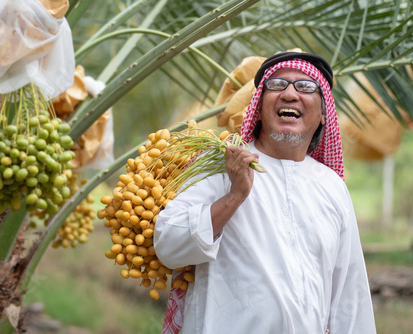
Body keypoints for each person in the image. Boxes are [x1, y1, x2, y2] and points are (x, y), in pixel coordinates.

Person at [153, 52, 376, 334]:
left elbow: (349, 297)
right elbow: (168, 245)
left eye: (306, 87)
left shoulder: (332, 187)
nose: (290, 94)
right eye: (278, 85)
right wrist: (234, 195)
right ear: (258, 106)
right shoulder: (220, 165)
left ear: (323, 115)